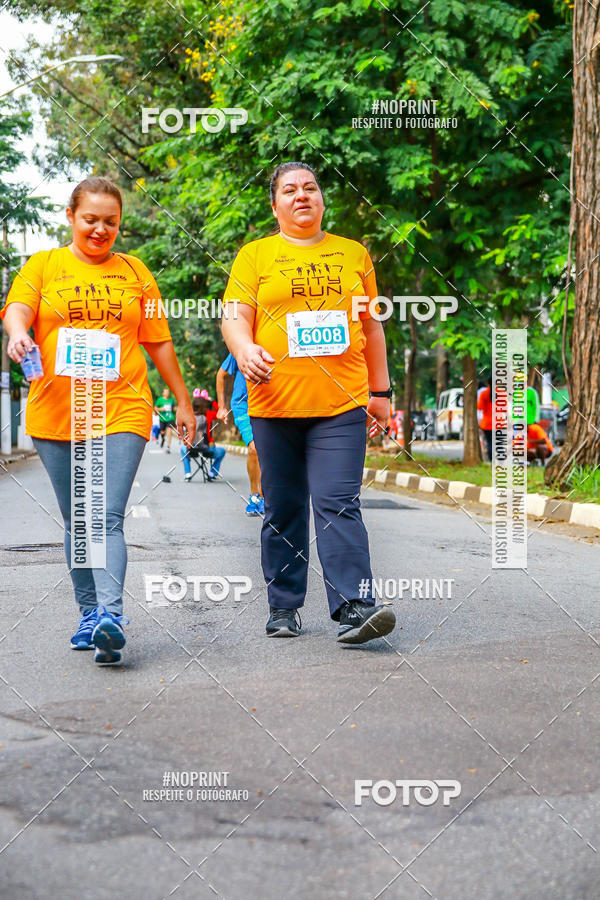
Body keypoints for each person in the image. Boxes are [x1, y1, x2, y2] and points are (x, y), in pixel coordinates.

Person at [2, 176, 195, 664]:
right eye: (91, 219)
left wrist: (183, 402)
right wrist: (20, 334)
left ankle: (111, 614)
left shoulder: (136, 273)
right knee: (77, 520)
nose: (100, 230)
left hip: (122, 407)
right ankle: (89, 614)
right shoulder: (43, 265)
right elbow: (18, 310)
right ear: (70, 216)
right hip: (57, 410)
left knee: (104, 516)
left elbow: (159, 342)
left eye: (111, 222)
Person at [221, 161, 396, 644]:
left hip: (340, 403)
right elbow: (234, 317)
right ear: (274, 204)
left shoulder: (352, 254)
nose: (303, 195)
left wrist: (380, 393)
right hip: (274, 403)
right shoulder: (255, 256)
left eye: (311, 188)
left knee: (339, 503)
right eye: (291, 190)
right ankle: (284, 606)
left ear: (322, 200)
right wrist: (244, 347)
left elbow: (372, 326)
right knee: (284, 506)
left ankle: (355, 607)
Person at [216, 353, 264, 516]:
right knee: (255, 449)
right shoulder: (241, 347)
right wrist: (222, 407)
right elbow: (221, 374)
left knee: (267, 452)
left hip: (268, 404)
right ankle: (254, 496)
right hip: (243, 406)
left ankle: (266, 498)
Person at [180, 396, 226, 481]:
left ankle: (188, 473)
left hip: (191, 450)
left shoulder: (189, 416)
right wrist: (212, 401)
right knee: (222, 451)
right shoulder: (208, 414)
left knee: (183, 449)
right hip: (208, 449)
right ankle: (212, 473)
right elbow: (220, 413)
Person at [154, 387, 176, 452]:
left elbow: (173, 408)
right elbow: (155, 408)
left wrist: (177, 409)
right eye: (166, 392)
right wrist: (161, 409)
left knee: (169, 430)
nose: (167, 393)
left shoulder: (171, 400)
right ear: (163, 393)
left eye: (168, 392)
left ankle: (168, 447)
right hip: (162, 418)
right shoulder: (160, 400)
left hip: (170, 417)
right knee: (162, 432)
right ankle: (163, 438)